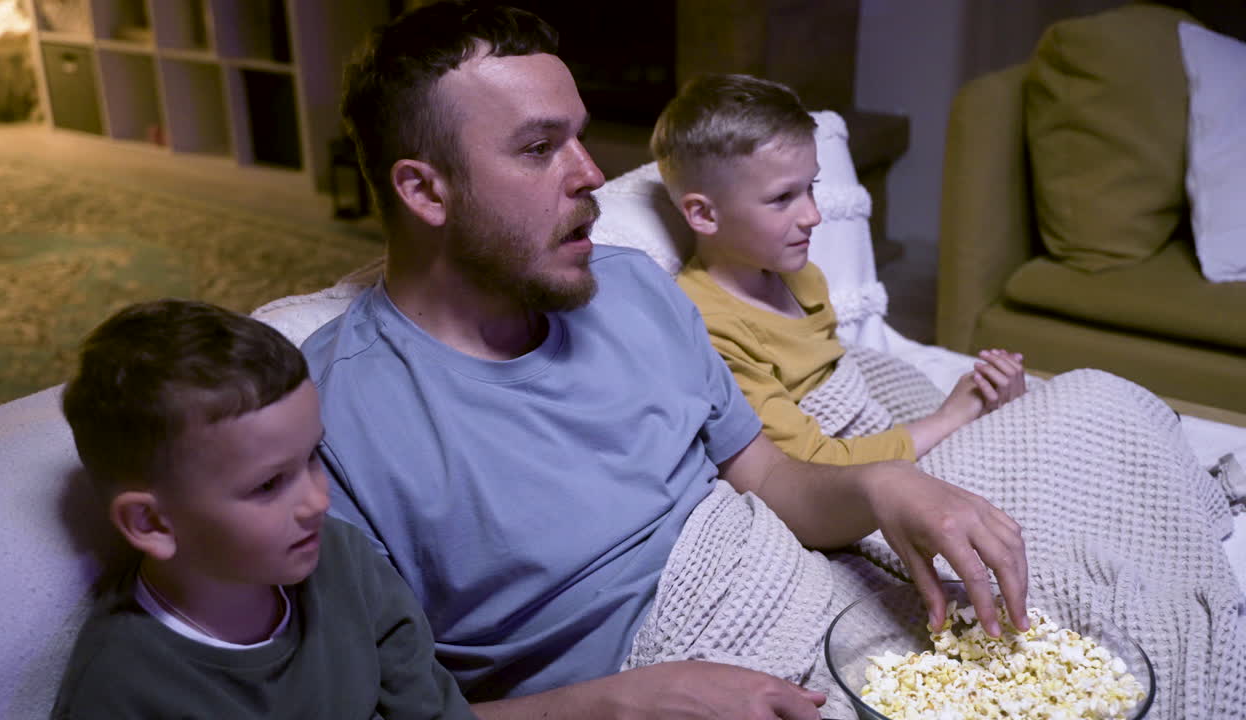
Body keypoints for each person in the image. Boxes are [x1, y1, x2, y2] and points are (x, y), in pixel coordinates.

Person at [304, 2, 1028, 717]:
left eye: (580, 138)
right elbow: (366, 708)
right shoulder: (328, 421)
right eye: (537, 148)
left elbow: (769, 477)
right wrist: (617, 703)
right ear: (425, 190)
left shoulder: (632, 287)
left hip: (787, 595)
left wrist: (879, 487)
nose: (590, 173)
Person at [52, 299, 476, 719]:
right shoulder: (118, 693)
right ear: (153, 523)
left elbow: (431, 705)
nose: (318, 502)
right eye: (269, 484)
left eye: (312, 456)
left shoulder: (343, 555)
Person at [652, 73, 1027, 465]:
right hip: (853, 473)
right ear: (704, 214)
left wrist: (984, 402)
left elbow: (842, 369)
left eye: (810, 187)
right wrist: (952, 418)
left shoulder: (799, 275)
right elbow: (804, 465)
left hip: (882, 434)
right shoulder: (712, 330)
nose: (813, 216)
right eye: (782, 198)